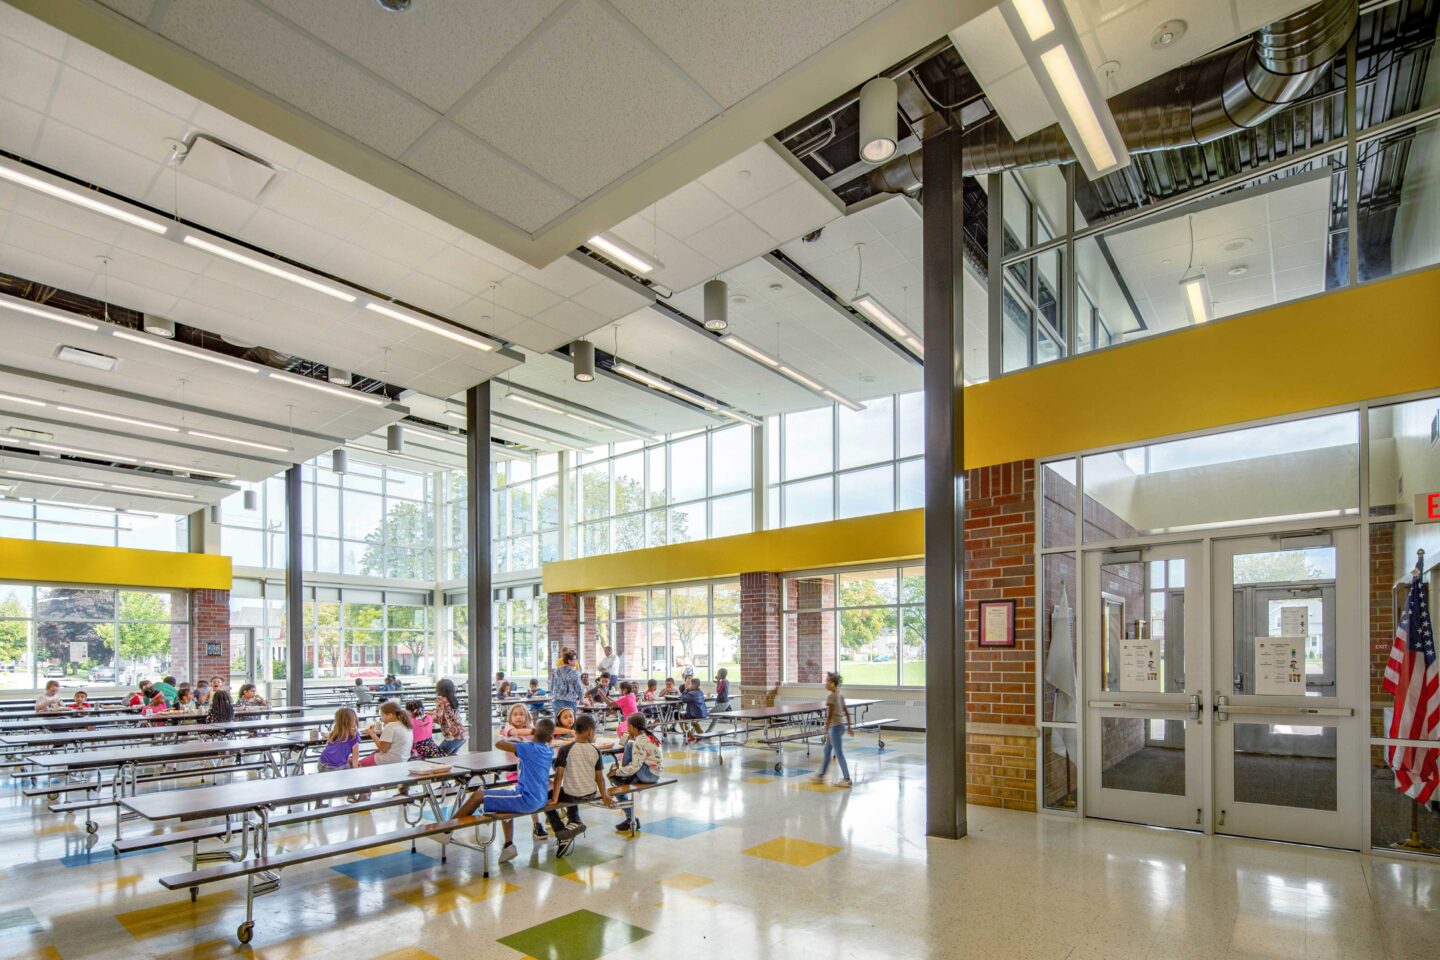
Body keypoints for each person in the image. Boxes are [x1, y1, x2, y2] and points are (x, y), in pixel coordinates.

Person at [454, 718, 556, 865]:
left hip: (526, 799)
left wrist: (513, 738)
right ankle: (508, 845)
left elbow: (499, 744)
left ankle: (446, 830)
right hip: (539, 798)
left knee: (477, 795)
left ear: (534, 732)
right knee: (504, 800)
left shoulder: (528, 748)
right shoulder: (547, 750)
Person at [546, 714, 614, 856]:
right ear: (590, 731)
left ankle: (561, 830)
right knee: (574, 788)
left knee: (546, 797)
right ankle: (574, 821)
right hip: (590, 792)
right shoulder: (595, 750)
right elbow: (600, 778)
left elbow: (559, 776)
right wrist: (604, 795)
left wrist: (555, 799)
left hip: (571, 794)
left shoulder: (565, 750)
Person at [609, 712, 662, 833]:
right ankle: (630, 818)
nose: (627, 729)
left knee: (620, 786)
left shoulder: (639, 741)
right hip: (654, 773)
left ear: (632, 727)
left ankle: (630, 817)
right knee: (629, 746)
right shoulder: (648, 736)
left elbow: (635, 767)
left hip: (648, 774)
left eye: (628, 727)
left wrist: (617, 772)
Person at [810, 672, 852, 788]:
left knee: (839, 753)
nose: (826, 683)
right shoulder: (840, 695)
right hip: (840, 726)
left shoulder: (831, 697)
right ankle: (821, 776)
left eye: (827, 681)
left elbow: (829, 715)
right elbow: (846, 712)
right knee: (827, 751)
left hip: (834, 728)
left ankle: (847, 779)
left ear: (833, 684)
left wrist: (827, 730)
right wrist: (849, 726)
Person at [358, 701, 413, 767]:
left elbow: (383, 749)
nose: (381, 719)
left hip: (390, 760)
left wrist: (372, 734)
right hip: (403, 759)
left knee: (357, 764)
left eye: (382, 716)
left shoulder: (391, 726)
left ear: (390, 715)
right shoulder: (405, 724)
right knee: (373, 754)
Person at [433, 678, 466, 755]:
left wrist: (428, 718)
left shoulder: (440, 699)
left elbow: (439, 718)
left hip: (452, 735)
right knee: (451, 758)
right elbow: (450, 715)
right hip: (462, 733)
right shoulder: (453, 699)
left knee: (437, 757)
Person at [550, 650, 583, 715]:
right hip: (569, 701)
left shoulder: (556, 671)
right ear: (569, 661)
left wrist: (552, 696)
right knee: (569, 722)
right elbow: (579, 688)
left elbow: (552, 686)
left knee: (558, 722)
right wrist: (581, 699)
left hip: (556, 701)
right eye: (574, 659)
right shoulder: (575, 672)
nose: (576, 661)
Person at [679, 677, 708, 741]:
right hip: (701, 713)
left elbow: (683, 699)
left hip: (694, 714)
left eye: (690, 684)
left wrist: (686, 690)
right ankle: (701, 734)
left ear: (693, 685)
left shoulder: (692, 693)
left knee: (680, 720)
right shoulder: (700, 692)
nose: (689, 685)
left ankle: (690, 736)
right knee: (693, 722)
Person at [707, 667, 732, 731]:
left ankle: (700, 731)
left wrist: (718, 682)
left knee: (708, 714)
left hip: (722, 703)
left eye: (718, 674)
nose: (717, 675)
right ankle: (708, 731)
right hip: (725, 701)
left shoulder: (722, 682)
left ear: (720, 675)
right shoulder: (726, 681)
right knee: (715, 718)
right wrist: (718, 682)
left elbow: (718, 691)